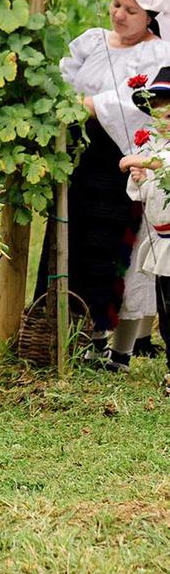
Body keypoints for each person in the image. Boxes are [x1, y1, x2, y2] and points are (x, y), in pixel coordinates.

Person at [35, 0, 170, 364]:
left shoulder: (157, 52)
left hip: (124, 160)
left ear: (151, 16)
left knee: (114, 250)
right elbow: (63, 80)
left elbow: (147, 104)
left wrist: (94, 104)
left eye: (131, 10)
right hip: (80, 156)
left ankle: (110, 341)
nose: (120, 15)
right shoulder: (93, 41)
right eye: (116, 5)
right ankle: (65, 328)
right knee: (72, 240)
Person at [119, 67, 170, 395]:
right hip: (163, 244)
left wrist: (145, 162)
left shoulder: (159, 156)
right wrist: (139, 177)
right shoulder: (158, 149)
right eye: (159, 111)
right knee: (168, 309)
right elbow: (141, 192)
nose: (163, 116)